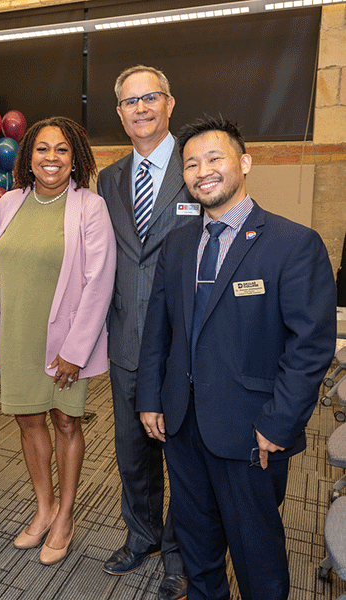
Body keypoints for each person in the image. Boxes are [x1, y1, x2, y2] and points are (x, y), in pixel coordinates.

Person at [137, 116, 336, 600]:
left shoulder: (294, 244)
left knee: (256, 555)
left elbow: (310, 346)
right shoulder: (179, 244)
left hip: (252, 433)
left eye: (214, 158)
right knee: (197, 546)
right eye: (191, 164)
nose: (202, 171)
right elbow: (158, 330)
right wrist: (150, 398)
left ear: (244, 163)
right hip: (181, 426)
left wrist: (280, 424)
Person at [0, 117, 116, 565]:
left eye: (61, 149)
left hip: (65, 340)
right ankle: (43, 509)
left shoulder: (90, 207)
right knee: (27, 421)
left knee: (65, 422)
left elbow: (100, 282)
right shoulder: (10, 202)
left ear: (74, 156)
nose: (51, 158)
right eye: (42, 149)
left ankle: (66, 516)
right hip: (17, 331)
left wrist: (76, 351)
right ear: (28, 156)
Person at [96, 64, 195, 600]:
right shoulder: (109, 179)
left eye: (150, 97)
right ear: (119, 113)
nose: (141, 109)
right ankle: (142, 537)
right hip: (127, 342)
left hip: (185, 346)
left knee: (182, 457)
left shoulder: (197, 164)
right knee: (132, 451)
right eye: (130, 101)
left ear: (169, 103)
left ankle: (179, 557)